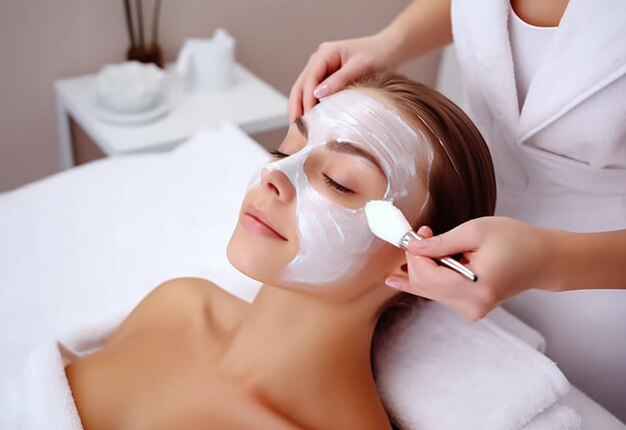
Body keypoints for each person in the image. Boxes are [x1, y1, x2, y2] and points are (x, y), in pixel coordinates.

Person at [63, 73, 496, 429]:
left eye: (339, 181)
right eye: (286, 148)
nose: (273, 173)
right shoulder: (178, 304)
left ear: (413, 258)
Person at [289, 0, 626, 416]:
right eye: (278, 152)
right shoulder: (187, 303)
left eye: (340, 183)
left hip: (601, 302)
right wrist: (390, 42)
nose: (273, 177)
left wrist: (549, 260)